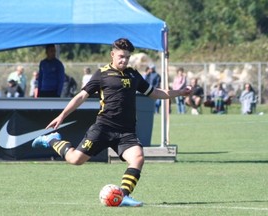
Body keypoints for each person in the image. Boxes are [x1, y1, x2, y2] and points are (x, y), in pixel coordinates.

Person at [32, 38, 191, 207]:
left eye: (127, 57)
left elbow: (154, 92)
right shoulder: (102, 74)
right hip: (103, 128)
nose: (124, 60)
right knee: (75, 159)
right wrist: (62, 115)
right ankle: (53, 139)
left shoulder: (133, 74)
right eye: (121, 56)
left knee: (138, 158)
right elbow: (81, 96)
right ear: (112, 54)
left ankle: (123, 196)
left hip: (126, 131)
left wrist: (179, 92)